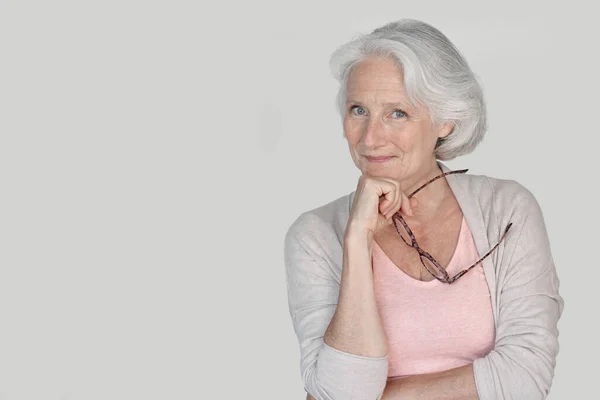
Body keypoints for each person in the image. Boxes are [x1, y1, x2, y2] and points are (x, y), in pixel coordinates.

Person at [283, 19, 563, 400]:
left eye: (397, 113)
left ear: (446, 120)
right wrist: (357, 240)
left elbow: (526, 378)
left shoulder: (507, 210)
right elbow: (342, 391)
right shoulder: (316, 235)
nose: (370, 137)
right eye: (358, 110)